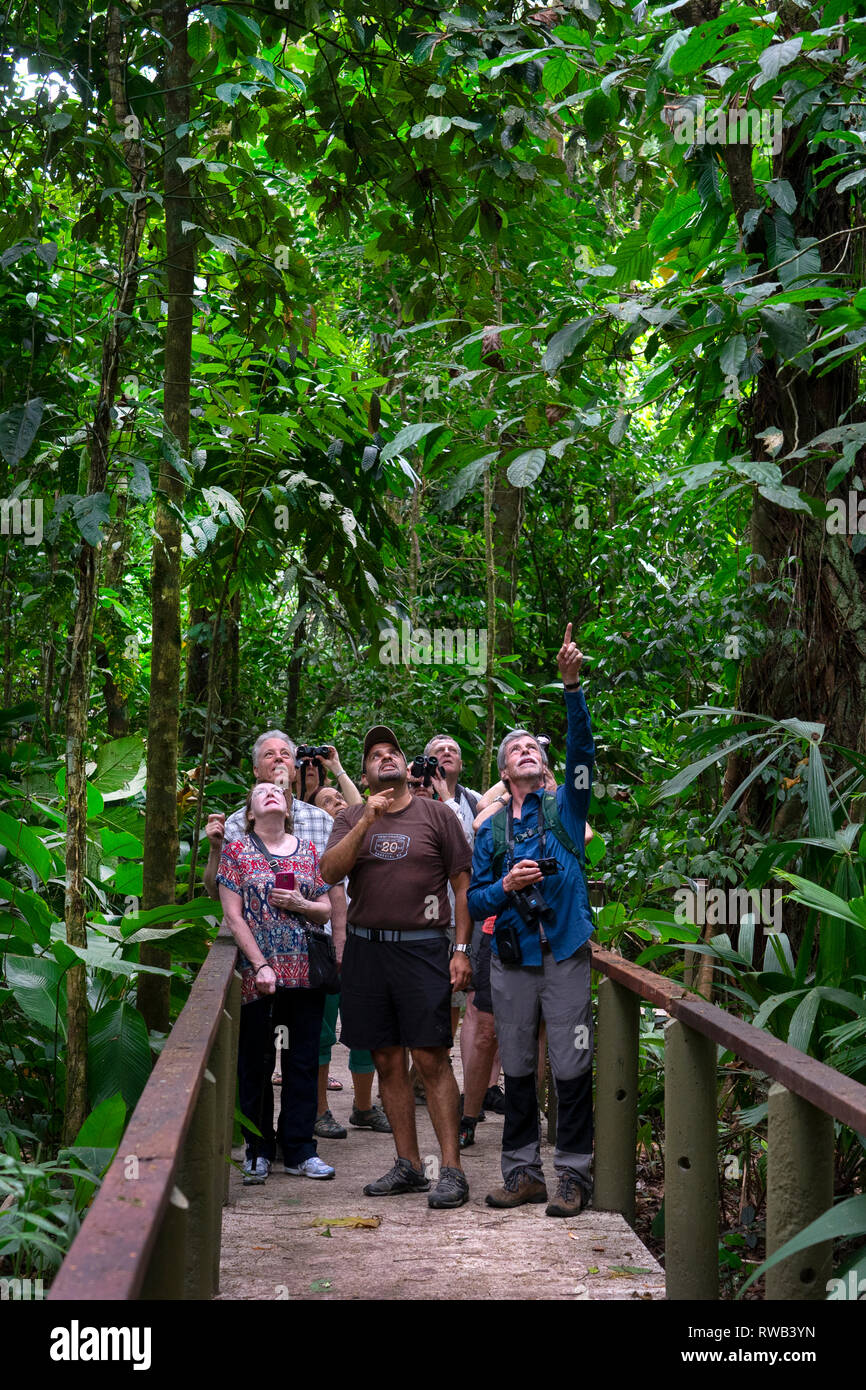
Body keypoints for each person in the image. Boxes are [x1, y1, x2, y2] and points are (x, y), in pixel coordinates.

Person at [468, 623, 595, 1217]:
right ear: (502, 770)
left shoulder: (565, 808)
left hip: (565, 952)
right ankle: (522, 1173)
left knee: (570, 1063)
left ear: (545, 769)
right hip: (513, 961)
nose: (525, 750)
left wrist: (571, 688)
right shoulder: (490, 827)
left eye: (533, 749)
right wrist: (507, 886)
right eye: (514, 748)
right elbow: (473, 902)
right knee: (516, 1067)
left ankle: (574, 1175)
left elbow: (585, 756)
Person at [320, 725, 473, 1209]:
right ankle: (408, 1165)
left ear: (407, 767)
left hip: (424, 948)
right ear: (364, 774)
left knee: (430, 1058)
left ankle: (451, 1170)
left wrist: (461, 950)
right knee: (386, 1058)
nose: (384, 758)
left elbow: (463, 886)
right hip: (368, 950)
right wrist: (366, 820)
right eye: (374, 756)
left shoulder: (437, 816)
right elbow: (328, 873)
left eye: (393, 753)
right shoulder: (349, 817)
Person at [217, 782, 334, 1183]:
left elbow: (325, 910)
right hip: (259, 978)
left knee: (301, 1062)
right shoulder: (236, 851)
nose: (271, 793)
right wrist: (260, 964)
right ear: (250, 812)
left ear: (287, 809)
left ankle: (301, 1149)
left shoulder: (309, 851)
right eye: (261, 790)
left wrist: (301, 904)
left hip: (304, 975)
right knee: (256, 1062)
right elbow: (233, 916)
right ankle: (258, 1149)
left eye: (277, 792)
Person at [307, 783, 392, 1140]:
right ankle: (321, 1110)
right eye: (328, 801)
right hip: (322, 944)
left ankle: (363, 1107)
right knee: (322, 1031)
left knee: (364, 1026)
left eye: (341, 798)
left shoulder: (367, 834)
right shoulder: (310, 844)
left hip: (364, 941)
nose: (339, 802)